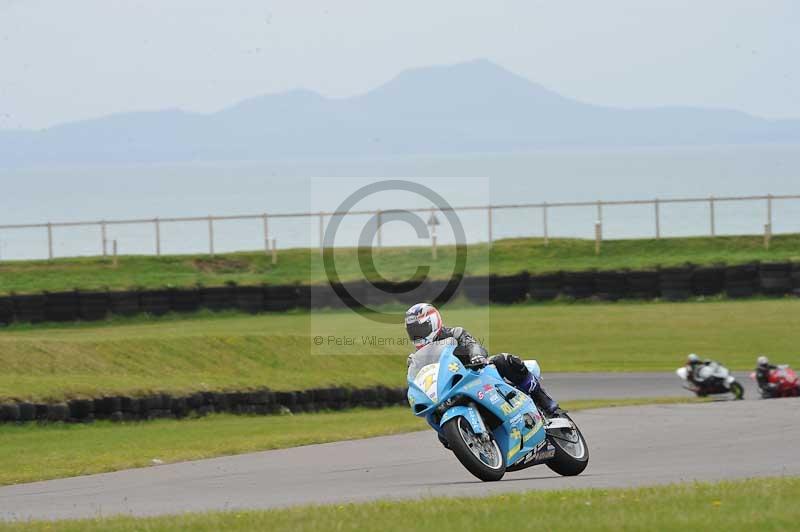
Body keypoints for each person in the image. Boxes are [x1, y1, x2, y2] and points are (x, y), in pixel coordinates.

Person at [404, 303, 560, 417]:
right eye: (413, 332)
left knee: (504, 360)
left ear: (433, 323)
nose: (417, 335)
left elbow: (472, 344)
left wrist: (476, 355)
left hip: (476, 373)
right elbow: (419, 377)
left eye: (420, 330)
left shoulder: (455, 333)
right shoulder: (417, 357)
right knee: (438, 423)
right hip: (451, 388)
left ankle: (543, 400)